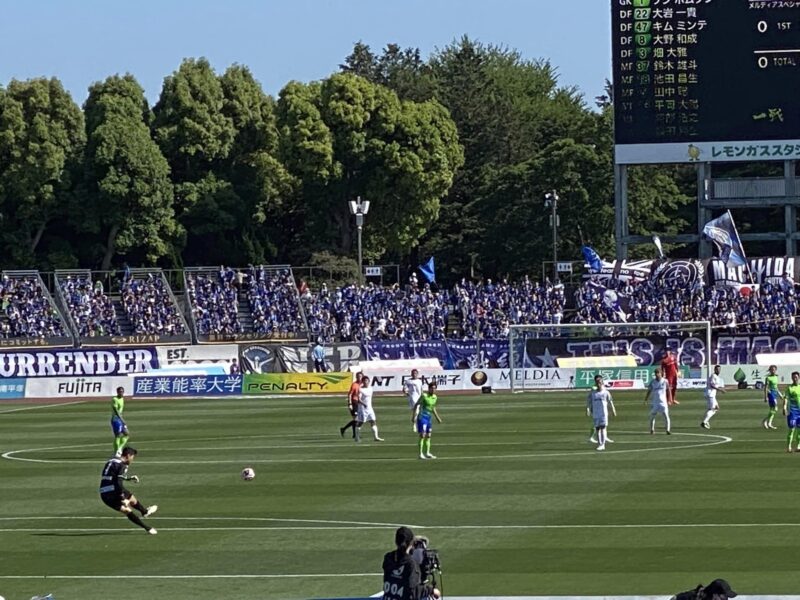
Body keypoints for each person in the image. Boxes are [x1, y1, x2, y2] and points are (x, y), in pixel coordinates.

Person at [99, 447, 158, 534]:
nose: (132, 460)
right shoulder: (122, 465)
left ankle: (144, 512)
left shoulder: (112, 460)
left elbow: (112, 476)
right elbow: (118, 483)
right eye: (132, 457)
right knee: (127, 509)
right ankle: (147, 528)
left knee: (131, 499)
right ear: (128, 455)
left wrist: (128, 478)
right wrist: (123, 498)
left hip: (104, 492)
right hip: (113, 490)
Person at [382, 526, 440, 600]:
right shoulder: (411, 563)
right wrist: (431, 590)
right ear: (411, 543)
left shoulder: (388, 558)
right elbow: (413, 592)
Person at [413, 382, 443, 459]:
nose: (433, 390)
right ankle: (420, 454)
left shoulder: (435, 397)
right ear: (429, 388)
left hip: (428, 418)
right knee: (422, 435)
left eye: (434, 388)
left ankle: (427, 453)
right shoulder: (424, 396)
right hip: (422, 417)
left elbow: (433, 408)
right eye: (432, 388)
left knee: (429, 435)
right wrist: (414, 416)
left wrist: (437, 417)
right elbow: (416, 405)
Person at [586, 374, 616, 451]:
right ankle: (600, 444)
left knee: (603, 428)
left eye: (600, 382)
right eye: (597, 382)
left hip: (603, 414)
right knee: (597, 428)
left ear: (602, 383)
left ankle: (602, 444)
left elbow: (610, 402)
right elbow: (589, 402)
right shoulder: (593, 393)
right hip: (596, 413)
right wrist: (588, 409)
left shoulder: (606, 392)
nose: (598, 384)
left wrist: (613, 410)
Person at [356, 377, 384, 442]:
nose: (366, 382)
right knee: (360, 422)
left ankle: (376, 437)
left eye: (367, 380)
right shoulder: (360, 390)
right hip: (363, 409)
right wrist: (364, 404)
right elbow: (359, 399)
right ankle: (357, 437)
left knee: (373, 421)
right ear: (362, 382)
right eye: (364, 381)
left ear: (369, 381)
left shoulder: (371, 388)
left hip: (370, 408)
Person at [645, 368, 672, 435]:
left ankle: (667, 430)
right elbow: (649, 391)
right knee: (652, 416)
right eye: (656, 373)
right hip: (655, 402)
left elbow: (668, 390)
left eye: (658, 373)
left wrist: (670, 399)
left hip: (663, 402)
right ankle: (652, 429)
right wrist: (646, 399)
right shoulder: (652, 382)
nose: (657, 374)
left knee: (666, 416)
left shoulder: (665, 381)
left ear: (661, 373)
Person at [701, 364, 726, 429]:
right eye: (717, 369)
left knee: (713, 408)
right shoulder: (713, 376)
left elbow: (716, 386)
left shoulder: (717, 377)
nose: (719, 371)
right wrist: (720, 390)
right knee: (714, 408)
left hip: (711, 395)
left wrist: (721, 389)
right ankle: (704, 422)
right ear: (715, 370)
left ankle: (706, 421)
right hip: (710, 394)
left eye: (719, 369)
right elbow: (712, 385)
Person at [782, 371, 800, 452]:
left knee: (799, 430)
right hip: (793, 411)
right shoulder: (789, 388)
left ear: (799, 378)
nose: (794, 379)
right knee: (792, 429)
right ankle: (788, 447)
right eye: (793, 377)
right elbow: (786, 398)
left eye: (796, 377)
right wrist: (784, 408)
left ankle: (798, 446)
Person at [340, 372, 362, 439]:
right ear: (356, 377)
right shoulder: (354, 385)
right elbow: (349, 394)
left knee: (356, 420)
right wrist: (350, 404)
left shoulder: (362, 384)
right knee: (356, 419)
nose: (359, 377)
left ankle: (351, 433)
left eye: (360, 376)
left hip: (358, 403)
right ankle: (348, 431)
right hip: (354, 402)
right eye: (358, 376)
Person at [763, 365, 782, 430]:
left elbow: (776, 387)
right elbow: (766, 388)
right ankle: (765, 420)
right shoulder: (768, 378)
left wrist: (780, 394)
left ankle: (769, 423)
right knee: (775, 408)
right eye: (771, 369)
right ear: (770, 370)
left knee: (772, 409)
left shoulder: (776, 377)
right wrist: (765, 397)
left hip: (775, 393)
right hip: (770, 393)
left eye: (774, 369)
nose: (773, 371)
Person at [111, 387, 129, 457]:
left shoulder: (122, 399)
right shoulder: (114, 399)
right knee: (118, 435)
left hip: (120, 419)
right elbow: (116, 411)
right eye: (119, 391)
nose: (121, 393)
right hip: (116, 420)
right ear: (117, 392)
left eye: (122, 391)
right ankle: (116, 452)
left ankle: (119, 448)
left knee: (127, 434)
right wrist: (122, 419)